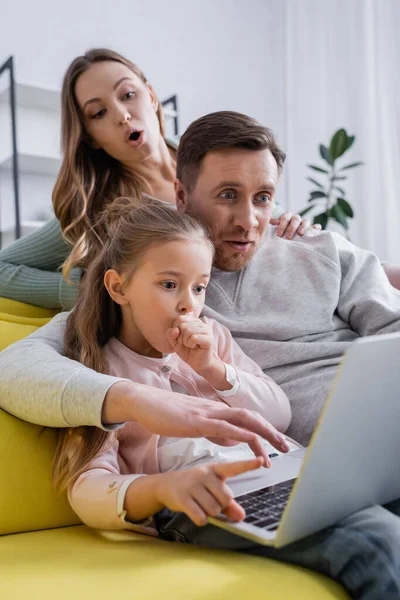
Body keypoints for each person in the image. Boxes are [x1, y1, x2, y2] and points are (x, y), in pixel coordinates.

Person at [58, 199, 400, 600]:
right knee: (377, 542)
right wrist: (162, 489)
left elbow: (279, 414)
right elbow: (86, 487)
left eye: (199, 287)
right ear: (119, 287)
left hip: (284, 474)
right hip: (202, 503)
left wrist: (216, 371)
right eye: (169, 285)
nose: (189, 303)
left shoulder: (214, 337)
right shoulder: (97, 371)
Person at [2, 111, 400, 448]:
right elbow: (14, 367)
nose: (248, 222)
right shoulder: (155, 290)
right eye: (227, 195)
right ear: (180, 195)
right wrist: (129, 400)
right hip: (328, 459)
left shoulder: (319, 247)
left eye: (263, 197)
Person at [0, 48, 309, 311]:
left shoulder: (207, 152)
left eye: (128, 95)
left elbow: (256, 205)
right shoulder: (93, 209)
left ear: (150, 96)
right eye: (98, 113)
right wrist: (83, 288)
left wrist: (288, 221)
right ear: (91, 137)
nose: (121, 115)